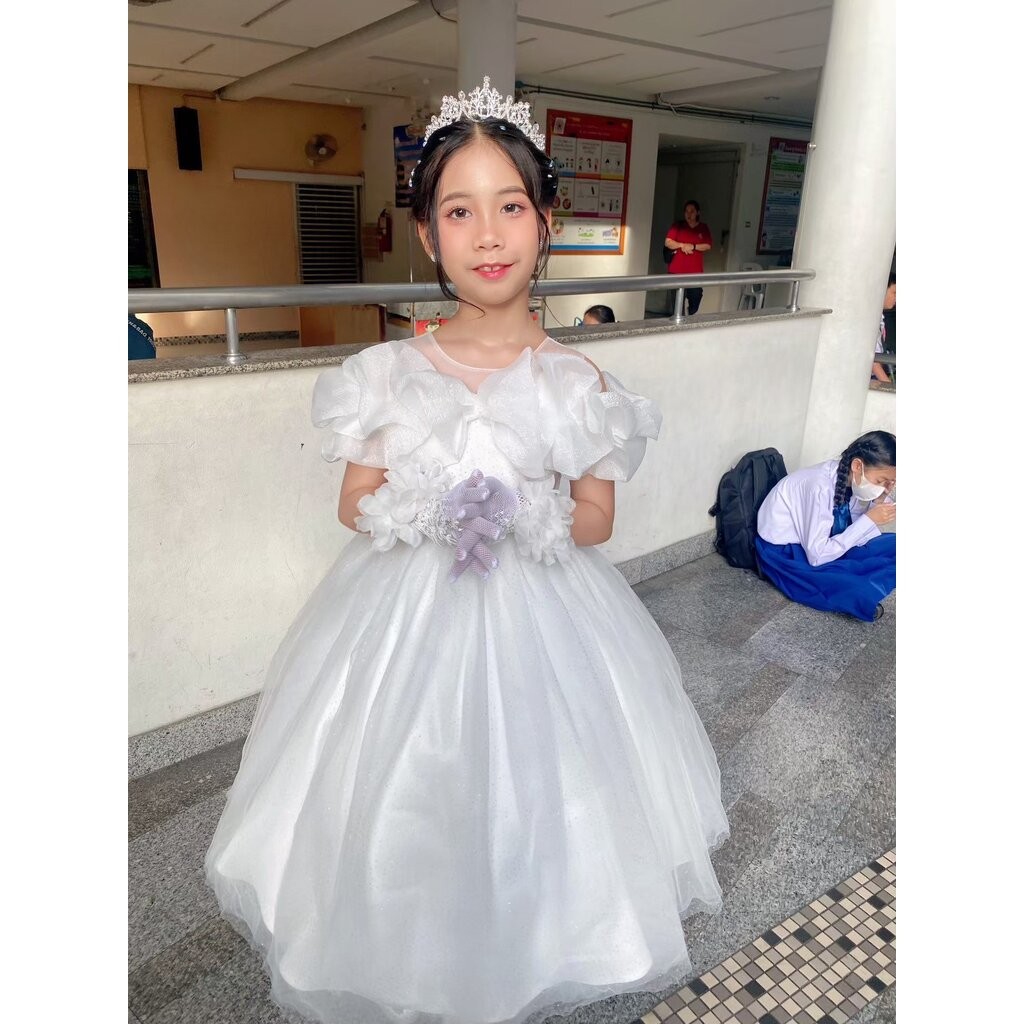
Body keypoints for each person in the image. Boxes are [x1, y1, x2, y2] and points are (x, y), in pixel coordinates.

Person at [205, 78, 728, 1024]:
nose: (488, 235)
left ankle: (538, 939)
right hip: (403, 610)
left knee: (544, 791)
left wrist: (528, 516)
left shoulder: (580, 379)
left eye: (510, 207)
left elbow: (597, 516)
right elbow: (353, 501)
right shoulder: (386, 372)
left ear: (545, 222)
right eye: (459, 211)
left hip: (543, 609)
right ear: (426, 234)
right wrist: (433, 510)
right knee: (399, 783)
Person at [755, 430, 896, 622]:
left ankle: (865, 580)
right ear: (857, 466)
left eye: (890, 483)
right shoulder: (818, 487)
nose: (885, 487)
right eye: (881, 481)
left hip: (820, 544)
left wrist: (877, 501)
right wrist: (869, 520)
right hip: (787, 553)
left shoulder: (850, 480)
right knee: (856, 587)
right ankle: (862, 589)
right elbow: (818, 556)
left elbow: (857, 532)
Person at [664, 199, 712, 315]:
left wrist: (693, 246)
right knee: (677, 305)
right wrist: (682, 245)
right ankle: (680, 322)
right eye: (686, 211)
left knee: (696, 297)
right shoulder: (677, 226)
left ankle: (689, 314)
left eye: (692, 211)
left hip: (694, 273)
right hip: (676, 271)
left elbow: (707, 245)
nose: (689, 214)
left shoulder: (703, 228)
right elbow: (668, 242)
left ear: (698, 213)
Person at [872, 272, 895, 382]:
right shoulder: (870, 319)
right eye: (894, 293)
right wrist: (887, 384)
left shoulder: (879, 317)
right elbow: (871, 359)